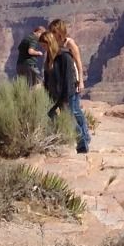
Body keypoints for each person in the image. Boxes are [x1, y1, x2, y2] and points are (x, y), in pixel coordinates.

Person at [42, 19, 90, 154]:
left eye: (53, 31)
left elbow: (78, 62)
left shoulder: (70, 43)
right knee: (74, 111)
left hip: (71, 80)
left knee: (74, 111)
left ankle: (84, 137)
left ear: (59, 31)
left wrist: (81, 80)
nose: (51, 33)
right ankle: (84, 137)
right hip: (61, 82)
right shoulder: (53, 45)